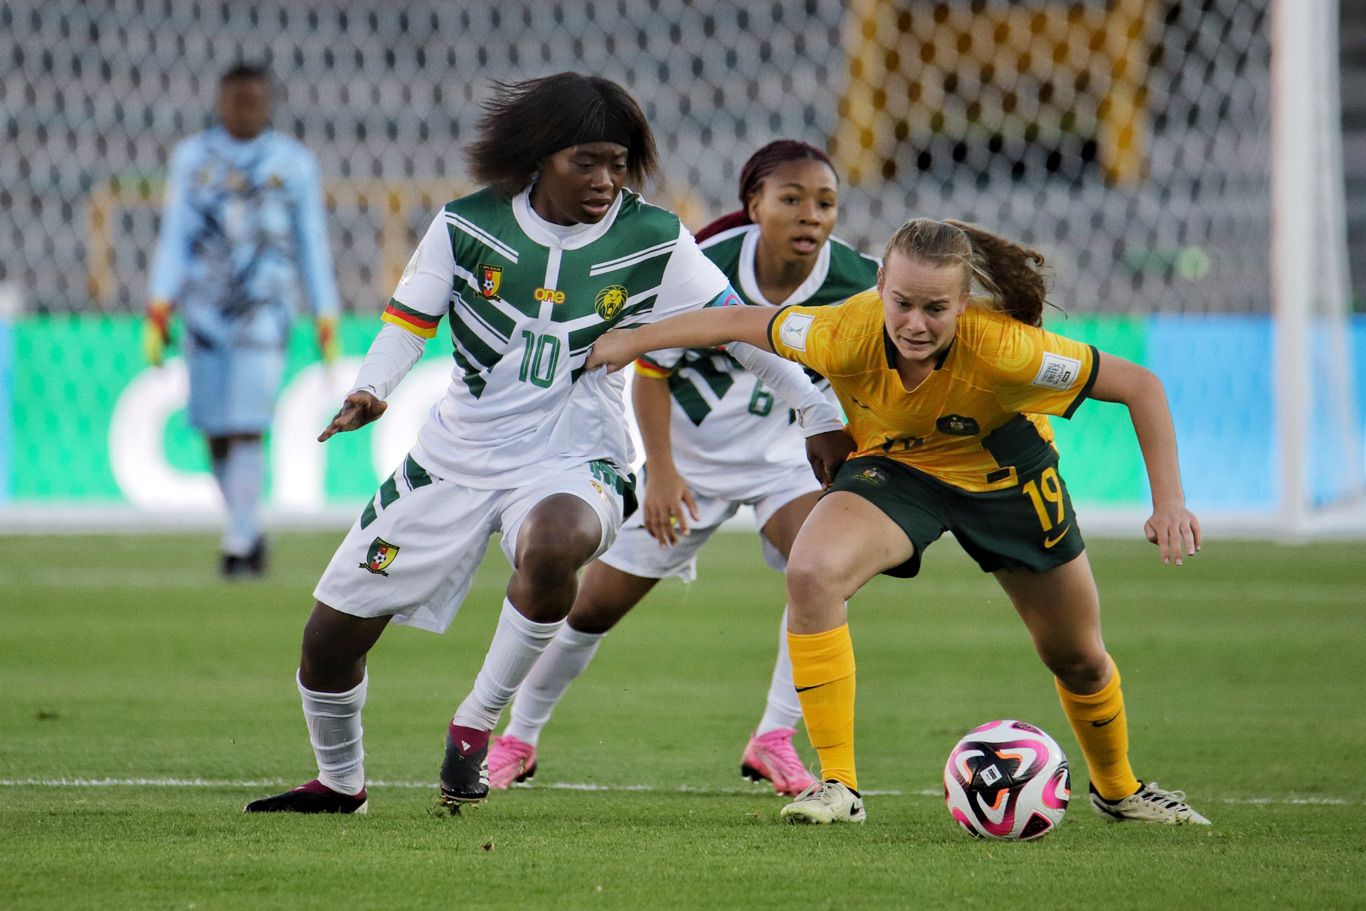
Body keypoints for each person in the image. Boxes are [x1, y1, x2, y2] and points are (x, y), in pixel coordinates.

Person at [242, 73, 849, 815]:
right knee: (328, 641)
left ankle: (477, 721)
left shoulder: (652, 236)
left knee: (558, 538)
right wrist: (374, 388)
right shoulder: (466, 225)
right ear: (538, 156)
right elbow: (409, 320)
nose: (605, 181)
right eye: (585, 162)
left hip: (576, 452)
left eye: (618, 164)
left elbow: (741, 327)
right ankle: (341, 784)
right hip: (454, 456)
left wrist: (816, 410)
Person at [586, 217, 1211, 826]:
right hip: (899, 468)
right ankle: (839, 786)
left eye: (935, 309)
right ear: (880, 283)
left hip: (1008, 479)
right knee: (811, 572)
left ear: (964, 302)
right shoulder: (840, 331)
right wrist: (632, 340)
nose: (915, 324)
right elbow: (735, 322)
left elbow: (1141, 386)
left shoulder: (1010, 351)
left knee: (1076, 657)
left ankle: (1119, 789)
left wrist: (1170, 502)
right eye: (903, 303)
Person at [486, 140, 879, 797]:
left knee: (820, 571)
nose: (810, 215)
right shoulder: (703, 266)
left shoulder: (859, 280)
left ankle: (775, 736)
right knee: (591, 608)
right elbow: (651, 370)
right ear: (754, 205)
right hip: (689, 462)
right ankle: (518, 736)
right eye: (791, 199)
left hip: (786, 460)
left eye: (826, 202)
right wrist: (661, 473)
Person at [144, 63, 340, 578]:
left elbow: (310, 240)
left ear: (269, 103)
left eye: (254, 100)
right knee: (214, 428)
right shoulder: (194, 159)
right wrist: (159, 303)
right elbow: (176, 236)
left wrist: (325, 309)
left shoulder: (292, 163)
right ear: (221, 101)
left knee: (249, 423)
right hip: (204, 311)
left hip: (265, 311)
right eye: (236, 99)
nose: (244, 109)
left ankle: (236, 546)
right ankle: (247, 532)